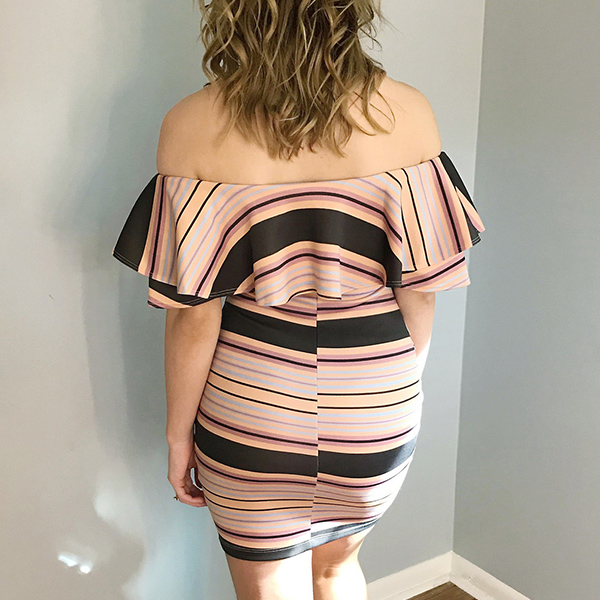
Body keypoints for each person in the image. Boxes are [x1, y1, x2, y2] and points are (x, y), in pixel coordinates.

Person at [111, 2, 485, 598]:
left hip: (250, 406)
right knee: (337, 569)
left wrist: (179, 436)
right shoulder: (410, 112)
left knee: (268, 585)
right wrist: (395, 393)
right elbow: (420, 294)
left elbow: (194, 318)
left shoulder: (190, 123)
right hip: (377, 401)